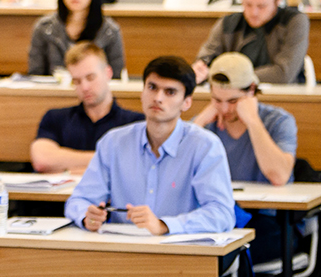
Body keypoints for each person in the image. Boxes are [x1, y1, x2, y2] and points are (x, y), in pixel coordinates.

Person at [65, 56, 235, 235]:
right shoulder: (113, 142)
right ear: (142, 92)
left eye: (170, 92)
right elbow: (78, 200)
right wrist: (87, 217)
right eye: (152, 88)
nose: (158, 98)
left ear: (187, 102)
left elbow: (222, 214)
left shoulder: (205, 146)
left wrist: (164, 225)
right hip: (122, 250)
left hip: (181, 252)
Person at [192, 52, 297, 263]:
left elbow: (279, 176)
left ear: (250, 90)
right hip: (221, 217)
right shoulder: (205, 125)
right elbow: (174, 165)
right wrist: (200, 121)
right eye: (216, 100)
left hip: (271, 222)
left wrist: (253, 121)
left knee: (227, 256)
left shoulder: (278, 121)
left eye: (232, 101)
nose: (223, 109)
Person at [30, 42, 143, 174]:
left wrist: (68, 168)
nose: (84, 87)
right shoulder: (55, 118)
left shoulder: (135, 123)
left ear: (108, 73)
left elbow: (134, 166)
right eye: (77, 81)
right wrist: (108, 162)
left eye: (90, 78)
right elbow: (42, 161)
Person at [193, 0, 309, 84]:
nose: (253, 12)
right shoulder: (227, 24)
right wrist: (200, 69)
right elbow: (205, 62)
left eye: (261, 6)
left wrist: (232, 76)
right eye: (247, 4)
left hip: (283, 97)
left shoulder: (294, 22)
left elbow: (283, 74)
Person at [28, 0, 125, 77]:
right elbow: (35, 75)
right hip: (55, 93)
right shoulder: (44, 28)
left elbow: (116, 77)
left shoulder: (110, 31)